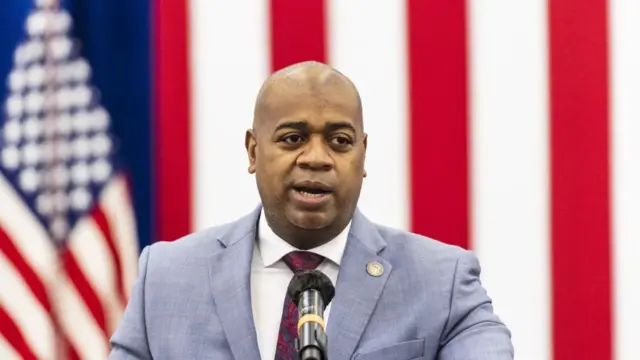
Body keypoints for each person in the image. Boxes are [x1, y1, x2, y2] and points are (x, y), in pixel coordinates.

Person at [108, 61, 514, 360]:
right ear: (253, 151)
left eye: (339, 140)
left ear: (362, 154)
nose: (317, 158)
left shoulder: (443, 282)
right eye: (292, 138)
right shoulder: (166, 277)